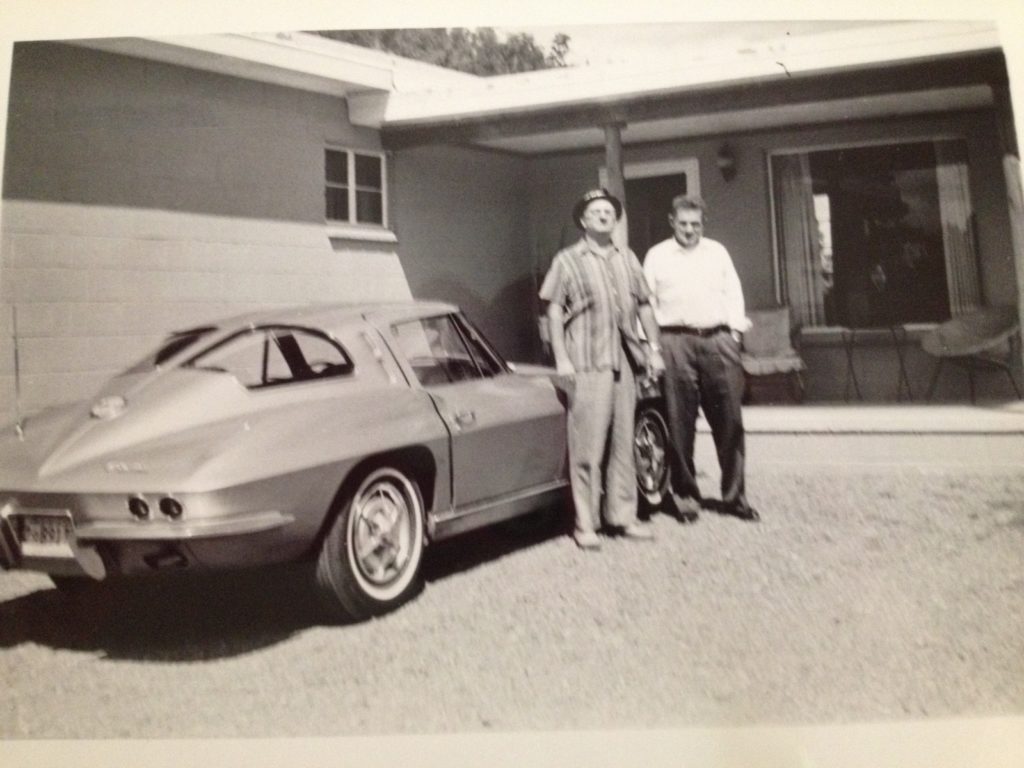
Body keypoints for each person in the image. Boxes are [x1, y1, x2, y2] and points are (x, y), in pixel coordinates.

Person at [539, 188, 665, 550]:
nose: (604, 216)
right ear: (583, 220)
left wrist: (653, 349)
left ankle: (623, 516)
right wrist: (562, 359)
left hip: (624, 362)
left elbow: (643, 307)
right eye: (596, 211)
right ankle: (586, 523)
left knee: (624, 442)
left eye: (609, 211)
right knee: (588, 447)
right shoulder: (567, 260)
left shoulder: (627, 257)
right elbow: (552, 312)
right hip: (587, 362)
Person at [642, 194, 759, 522]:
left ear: (703, 224)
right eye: (683, 224)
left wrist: (733, 334)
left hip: (718, 341)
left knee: (730, 423)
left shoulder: (717, 252)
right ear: (672, 222)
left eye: (695, 224)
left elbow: (734, 293)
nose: (689, 230)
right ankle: (686, 497)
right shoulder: (657, 256)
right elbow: (645, 303)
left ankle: (735, 498)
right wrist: (651, 348)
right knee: (679, 423)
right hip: (675, 342)